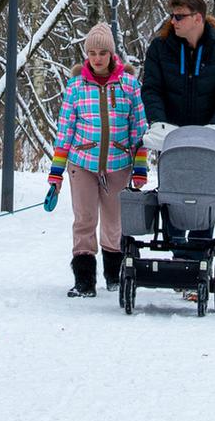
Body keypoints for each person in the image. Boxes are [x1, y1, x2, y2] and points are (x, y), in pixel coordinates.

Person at [45, 22, 148, 298]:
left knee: (114, 223)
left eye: (102, 52)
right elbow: (64, 131)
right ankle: (84, 280)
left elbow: (139, 129)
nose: (97, 58)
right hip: (82, 164)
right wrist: (56, 175)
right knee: (84, 220)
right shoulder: (76, 86)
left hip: (118, 165)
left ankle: (113, 276)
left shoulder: (128, 84)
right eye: (92, 53)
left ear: (111, 54)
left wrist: (139, 168)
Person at [141, 0, 215, 153]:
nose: (173, 21)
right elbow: (152, 89)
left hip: (211, 139)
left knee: (214, 178)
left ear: (198, 18)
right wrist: (158, 122)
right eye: (172, 16)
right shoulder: (160, 48)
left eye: (180, 17)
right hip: (171, 137)